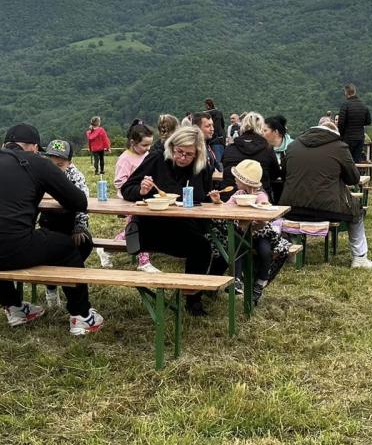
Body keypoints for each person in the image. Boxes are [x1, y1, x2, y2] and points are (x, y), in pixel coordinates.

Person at [0, 124, 103, 335]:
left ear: (4, 144)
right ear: (34, 147)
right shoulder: (36, 162)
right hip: (9, 248)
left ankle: (14, 307)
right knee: (68, 247)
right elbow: (78, 201)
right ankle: (82, 315)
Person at [120, 125, 223, 316]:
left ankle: (193, 298)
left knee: (202, 247)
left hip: (185, 228)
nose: (182, 157)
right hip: (153, 227)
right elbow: (127, 189)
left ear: (197, 153)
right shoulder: (157, 159)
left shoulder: (202, 169)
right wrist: (141, 190)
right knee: (201, 246)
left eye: (189, 154)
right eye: (179, 151)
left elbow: (205, 199)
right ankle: (191, 296)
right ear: (172, 146)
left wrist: (213, 200)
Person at [281, 118, 372, 268]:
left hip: (292, 208)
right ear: (335, 133)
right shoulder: (339, 147)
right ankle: (359, 258)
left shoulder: (293, 146)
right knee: (357, 212)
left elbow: (285, 174)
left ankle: (291, 249)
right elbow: (353, 179)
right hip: (328, 209)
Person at [226, 159, 293, 305]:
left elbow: (265, 207)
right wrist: (218, 201)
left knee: (265, 251)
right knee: (237, 247)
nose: (234, 180)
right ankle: (237, 279)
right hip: (243, 232)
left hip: (261, 233)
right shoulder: (238, 194)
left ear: (246, 182)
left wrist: (262, 207)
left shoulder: (260, 195)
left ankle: (261, 281)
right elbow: (227, 207)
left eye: (237, 178)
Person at [37, 139, 94, 308]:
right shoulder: (40, 175)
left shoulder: (76, 176)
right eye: (51, 164)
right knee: (47, 248)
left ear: (69, 162)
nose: (55, 168)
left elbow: (83, 204)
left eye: (60, 165)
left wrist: (79, 226)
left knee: (84, 243)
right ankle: (51, 285)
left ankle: (69, 280)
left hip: (71, 224)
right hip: (49, 223)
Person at [112, 122, 159, 273]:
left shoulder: (146, 156)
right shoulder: (125, 159)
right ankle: (144, 262)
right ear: (133, 142)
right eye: (144, 145)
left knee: (134, 231)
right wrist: (136, 188)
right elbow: (119, 182)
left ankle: (107, 249)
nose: (148, 148)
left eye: (150, 145)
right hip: (131, 201)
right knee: (139, 229)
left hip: (145, 200)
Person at [220, 111, 283, 203]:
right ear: (261, 128)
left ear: (242, 126)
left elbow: (225, 169)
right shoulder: (267, 149)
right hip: (259, 200)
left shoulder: (230, 148)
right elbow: (275, 174)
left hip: (229, 199)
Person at [336, 84, 372, 164]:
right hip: (360, 137)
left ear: (346, 93)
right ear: (355, 92)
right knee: (357, 161)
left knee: (346, 161)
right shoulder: (363, 105)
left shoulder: (345, 105)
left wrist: (341, 135)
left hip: (347, 138)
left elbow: (341, 123)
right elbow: (368, 121)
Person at [203, 98, 226, 165]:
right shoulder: (219, 113)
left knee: (212, 161)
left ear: (207, 105)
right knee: (220, 162)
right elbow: (223, 125)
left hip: (209, 140)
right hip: (220, 139)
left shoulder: (205, 115)